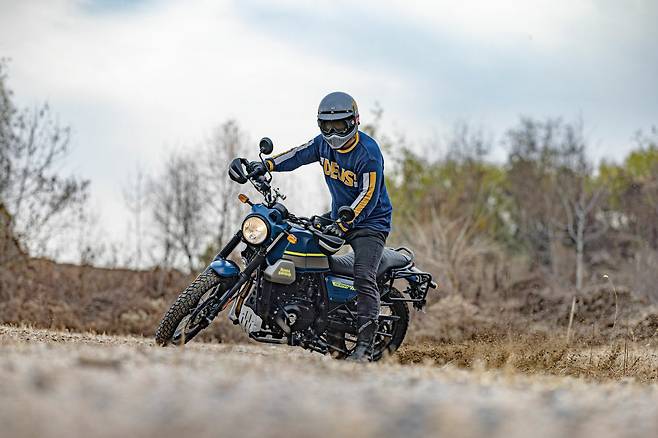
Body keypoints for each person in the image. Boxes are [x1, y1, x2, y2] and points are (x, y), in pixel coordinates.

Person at [250, 91, 393, 361]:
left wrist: (344, 223)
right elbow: (297, 155)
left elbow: (368, 195)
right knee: (302, 250)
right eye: (328, 126)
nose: (334, 132)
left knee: (364, 275)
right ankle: (314, 321)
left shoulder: (369, 153)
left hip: (371, 223)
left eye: (340, 125)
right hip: (338, 216)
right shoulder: (322, 144)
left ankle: (364, 348)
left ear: (354, 121)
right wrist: (266, 165)